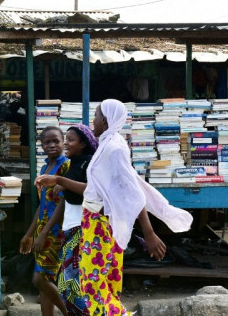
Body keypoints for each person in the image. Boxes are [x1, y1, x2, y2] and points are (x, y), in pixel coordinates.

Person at [80, 99, 193, 315]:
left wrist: (149, 234)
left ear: (105, 121)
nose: (92, 121)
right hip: (96, 223)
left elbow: (132, 193)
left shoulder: (114, 148)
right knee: (101, 284)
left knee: (94, 285)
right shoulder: (108, 144)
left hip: (101, 226)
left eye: (95, 116)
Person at [35, 124, 98, 316]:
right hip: (66, 229)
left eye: (68, 140)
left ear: (83, 143)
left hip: (75, 228)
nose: (62, 144)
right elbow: (44, 204)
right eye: (47, 142)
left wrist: (61, 182)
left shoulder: (79, 164)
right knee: (61, 282)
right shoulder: (69, 164)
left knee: (66, 284)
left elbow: (90, 190)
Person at [19, 127, 70, 316]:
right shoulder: (43, 169)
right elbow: (43, 205)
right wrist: (29, 234)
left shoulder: (66, 167)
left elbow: (62, 204)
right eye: (47, 142)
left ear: (63, 141)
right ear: (41, 145)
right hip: (42, 229)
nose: (52, 145)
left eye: (56, 141)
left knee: (39, 279)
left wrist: (43, 234)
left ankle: (69, 312)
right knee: (44, 284)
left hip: (56, 230)